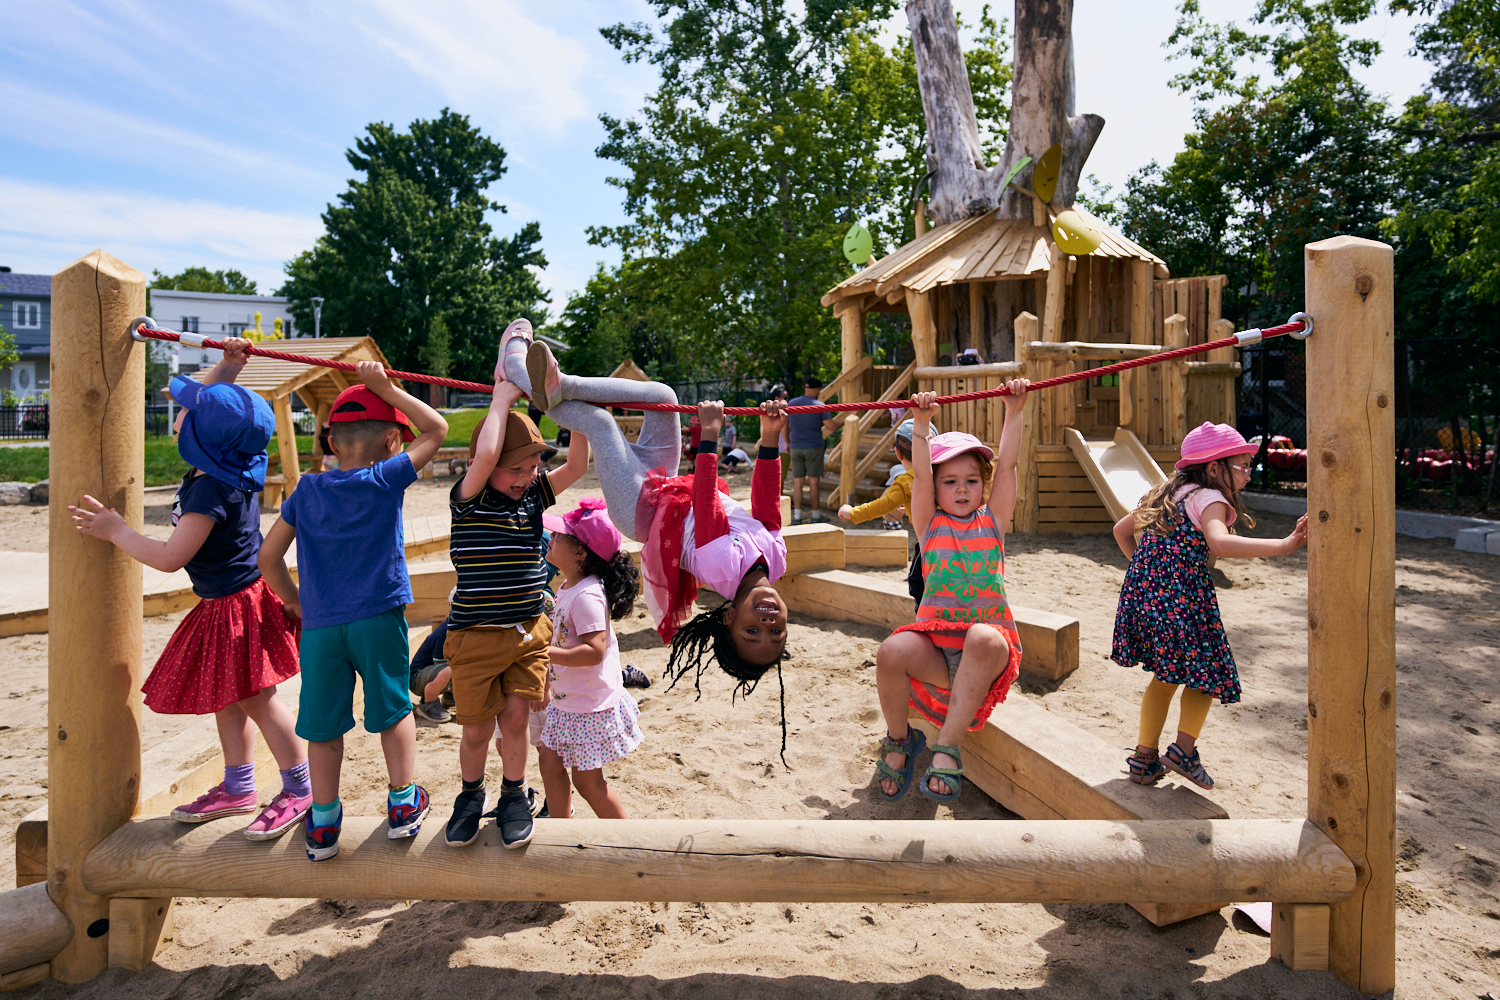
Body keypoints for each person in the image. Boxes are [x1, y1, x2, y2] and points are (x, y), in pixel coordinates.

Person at [497, 323, 794, 740]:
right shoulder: (776, 560)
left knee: (599, 423)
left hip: (638, 506)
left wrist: (708, 437)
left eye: (752, 631)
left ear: (729, 617)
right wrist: (769, 439)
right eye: (775, 630)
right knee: (662, 398)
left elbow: (707, 504)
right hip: (666, 482)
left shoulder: (721, 570)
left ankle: (513, 365)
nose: (766, 621)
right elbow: (766, 504)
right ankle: (558, 384)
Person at [68, 339, 310, 841]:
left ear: (200, 436)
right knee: (230, 697)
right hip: (229, 600)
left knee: (259, 702)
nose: (179, 413)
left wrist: (117, 530)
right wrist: (229, 366)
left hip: (236, 604)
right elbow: (219, 407)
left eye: (186, 412)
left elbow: (170, 558)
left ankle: (299, 787)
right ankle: (239, 785)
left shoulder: (207, 491)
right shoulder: (231, 464)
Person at [258, 362, 449, 861]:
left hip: (320, 628)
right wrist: (390, 389)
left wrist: (294, 600)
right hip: (378, 615)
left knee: (322, 727)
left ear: (331, 443)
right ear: (392, 441)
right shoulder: (386, 478)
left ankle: (322, 824)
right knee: (392, 708)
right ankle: (404, 805)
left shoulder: (308, 491)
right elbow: (438, 429)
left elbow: (267, 557)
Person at [440, 367, 590, 850]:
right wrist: (500, 400)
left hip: (528, 631)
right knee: (477, 728)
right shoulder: (469, 501)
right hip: (476, 635)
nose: (529, 477)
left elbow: (577, 465)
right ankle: (469, 795)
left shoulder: (531, 498)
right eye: (517, 468)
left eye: (533, 467)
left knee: (516, 719)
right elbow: (485, 455)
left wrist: (578, 410)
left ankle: (511, 795)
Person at [1112, 422, 1309, 789]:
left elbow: (1120, 531)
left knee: (1166, 677)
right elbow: (1219, 544)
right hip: (1185, 603)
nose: (1249, 473)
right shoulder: (1210, 498)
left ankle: (1144, 759)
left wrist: (1146, 571)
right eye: (1242, 465)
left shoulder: (1166, 495)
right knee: (1206, 675)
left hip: (1147, 600)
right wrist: (1284, 545)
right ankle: (1183, 752)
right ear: (1215, 468)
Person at [872, 381, 1031, 804]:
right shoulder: (929, 525)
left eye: (972, 480)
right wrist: (921, 425)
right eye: (951, 482)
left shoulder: (992, 522)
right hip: (938, 653)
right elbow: (921, 473)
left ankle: (948, 748)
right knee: (890, 650)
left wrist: (1014, 411)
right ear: (935, 489)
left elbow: (1010, 466)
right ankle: (900, 739)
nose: (962, 490)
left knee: (981, 634)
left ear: (983, 484)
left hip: (986, 653)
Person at [535, 498, 643, 818]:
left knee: (587, 781)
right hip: (570, 699)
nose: (551, 539)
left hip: (589, 706)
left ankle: (625, 838)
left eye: (558, 537)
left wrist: (542, 653)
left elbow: (594, 651)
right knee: (549, 761)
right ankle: (561, 826)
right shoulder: (569, 585)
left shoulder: (588, 596)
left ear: (581, 553)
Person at [786, 377, 840, 524]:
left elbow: (786, 426)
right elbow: (831, 426)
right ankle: (815, 516)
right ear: (817, 389)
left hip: (796, 446)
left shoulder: (792, 403)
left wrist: (787, 442)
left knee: (797, 482)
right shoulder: (819, 405)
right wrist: (846, 421)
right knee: (814, 483)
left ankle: (797, 516)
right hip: (813, 447)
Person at [409, 621, 453, 723]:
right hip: (417, 679)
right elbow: (439, 665)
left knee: (463, 666)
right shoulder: (444, 632)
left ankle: (450, 697)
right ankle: (428, 703)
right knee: (450, 669)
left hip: (436, 676)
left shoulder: (462, 631)